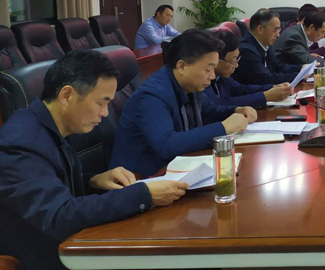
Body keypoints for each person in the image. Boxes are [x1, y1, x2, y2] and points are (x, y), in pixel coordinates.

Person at [0, 51, 187, 269]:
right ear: (67, 95)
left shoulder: (48, 125)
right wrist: (144, 194)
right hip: (47, 257)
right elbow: (59, 216)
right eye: (101, 103)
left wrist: (92, 181)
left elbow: (51, 183)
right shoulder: (20, 144)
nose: (105, 113)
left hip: (72, 245)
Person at [111, 29, 257, 177]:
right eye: (208, 69)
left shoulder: (188, 84)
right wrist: (224, 128)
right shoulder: (152, 96)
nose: (213, 76)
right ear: (182, 66)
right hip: (140, 179)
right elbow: (167, 145)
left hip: (176, 169)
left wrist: (236, 110)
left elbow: (208, 111)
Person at [204, 29, 294, 108]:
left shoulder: (221, 75)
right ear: (216, 60)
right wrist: (266, 96)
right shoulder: (203, 80)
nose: (236, 65)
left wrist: (272, 87)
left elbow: (240, 90)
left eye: (237, 59)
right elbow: (220, 105)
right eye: (233, 61)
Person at [234, 9, 303, 86]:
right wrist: (300, 76)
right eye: (275, 30)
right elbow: (266, 79)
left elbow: (279, 67)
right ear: (260, 29)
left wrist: (301, 68)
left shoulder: (264, 44)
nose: (278, 35)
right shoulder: (246, 51)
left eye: (279, 30)